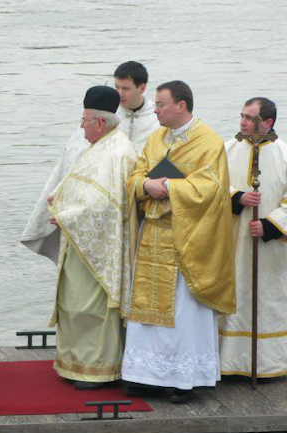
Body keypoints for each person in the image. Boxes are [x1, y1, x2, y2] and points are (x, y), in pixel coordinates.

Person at [122, 81, 236, 401]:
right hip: (153, 234)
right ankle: (144, 374)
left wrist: (170, 187)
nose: (155, 110)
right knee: (146, 309)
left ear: (181, 106)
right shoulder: (156, 137)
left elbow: (212, 189)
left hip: (187, 239)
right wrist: (146, 185)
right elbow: (137, 175)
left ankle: (184, 378)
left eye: (161, 104)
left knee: (184, 313)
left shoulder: (208, 142)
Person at [22, 61, 159, 262]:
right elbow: (74, 159)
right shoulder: (103, 113)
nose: (120, 93)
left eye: (126, 88)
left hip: (140, 198)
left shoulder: (156, 119)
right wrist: (62, 193)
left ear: (142, 87)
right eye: (117, 87)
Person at [48, 86, 137, 389]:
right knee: (73, 303)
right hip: (80, 240)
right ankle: (74, 363)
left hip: (99, 246)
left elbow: (103, 205)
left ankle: (98, 368)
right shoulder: (100, 145)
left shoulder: (117, 152)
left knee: (89, 306)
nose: (81, 126)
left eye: (84, 120)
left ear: (99, 122)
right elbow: (79, 184)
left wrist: (65, 216)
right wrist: (59, 197)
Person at [219, 97, 287, 379]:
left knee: (268, 298)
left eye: (250, 118)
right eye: (242, 116)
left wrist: (271, 225)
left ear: (267, 123)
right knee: (233, 294)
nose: (242, 122)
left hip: (270, 249)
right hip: (232, 241)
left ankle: (269, 364)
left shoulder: (284, 154)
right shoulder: (226, 150)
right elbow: (211, 186)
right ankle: (228, 362)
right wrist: (237, 197)